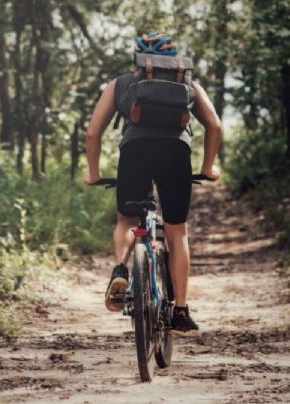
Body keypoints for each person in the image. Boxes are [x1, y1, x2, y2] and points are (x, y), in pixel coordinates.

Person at [83, 32, 222, 335]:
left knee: (126, 219)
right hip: (176, 154)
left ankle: (121, 268)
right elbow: (214, 125)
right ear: (174, 59)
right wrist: (208, 167)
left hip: (135, 152)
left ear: (137, 58)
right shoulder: (188, 84)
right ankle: (182, 311)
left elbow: (93, 132)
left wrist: (93, 173)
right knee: (177, 230)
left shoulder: (120, 84)